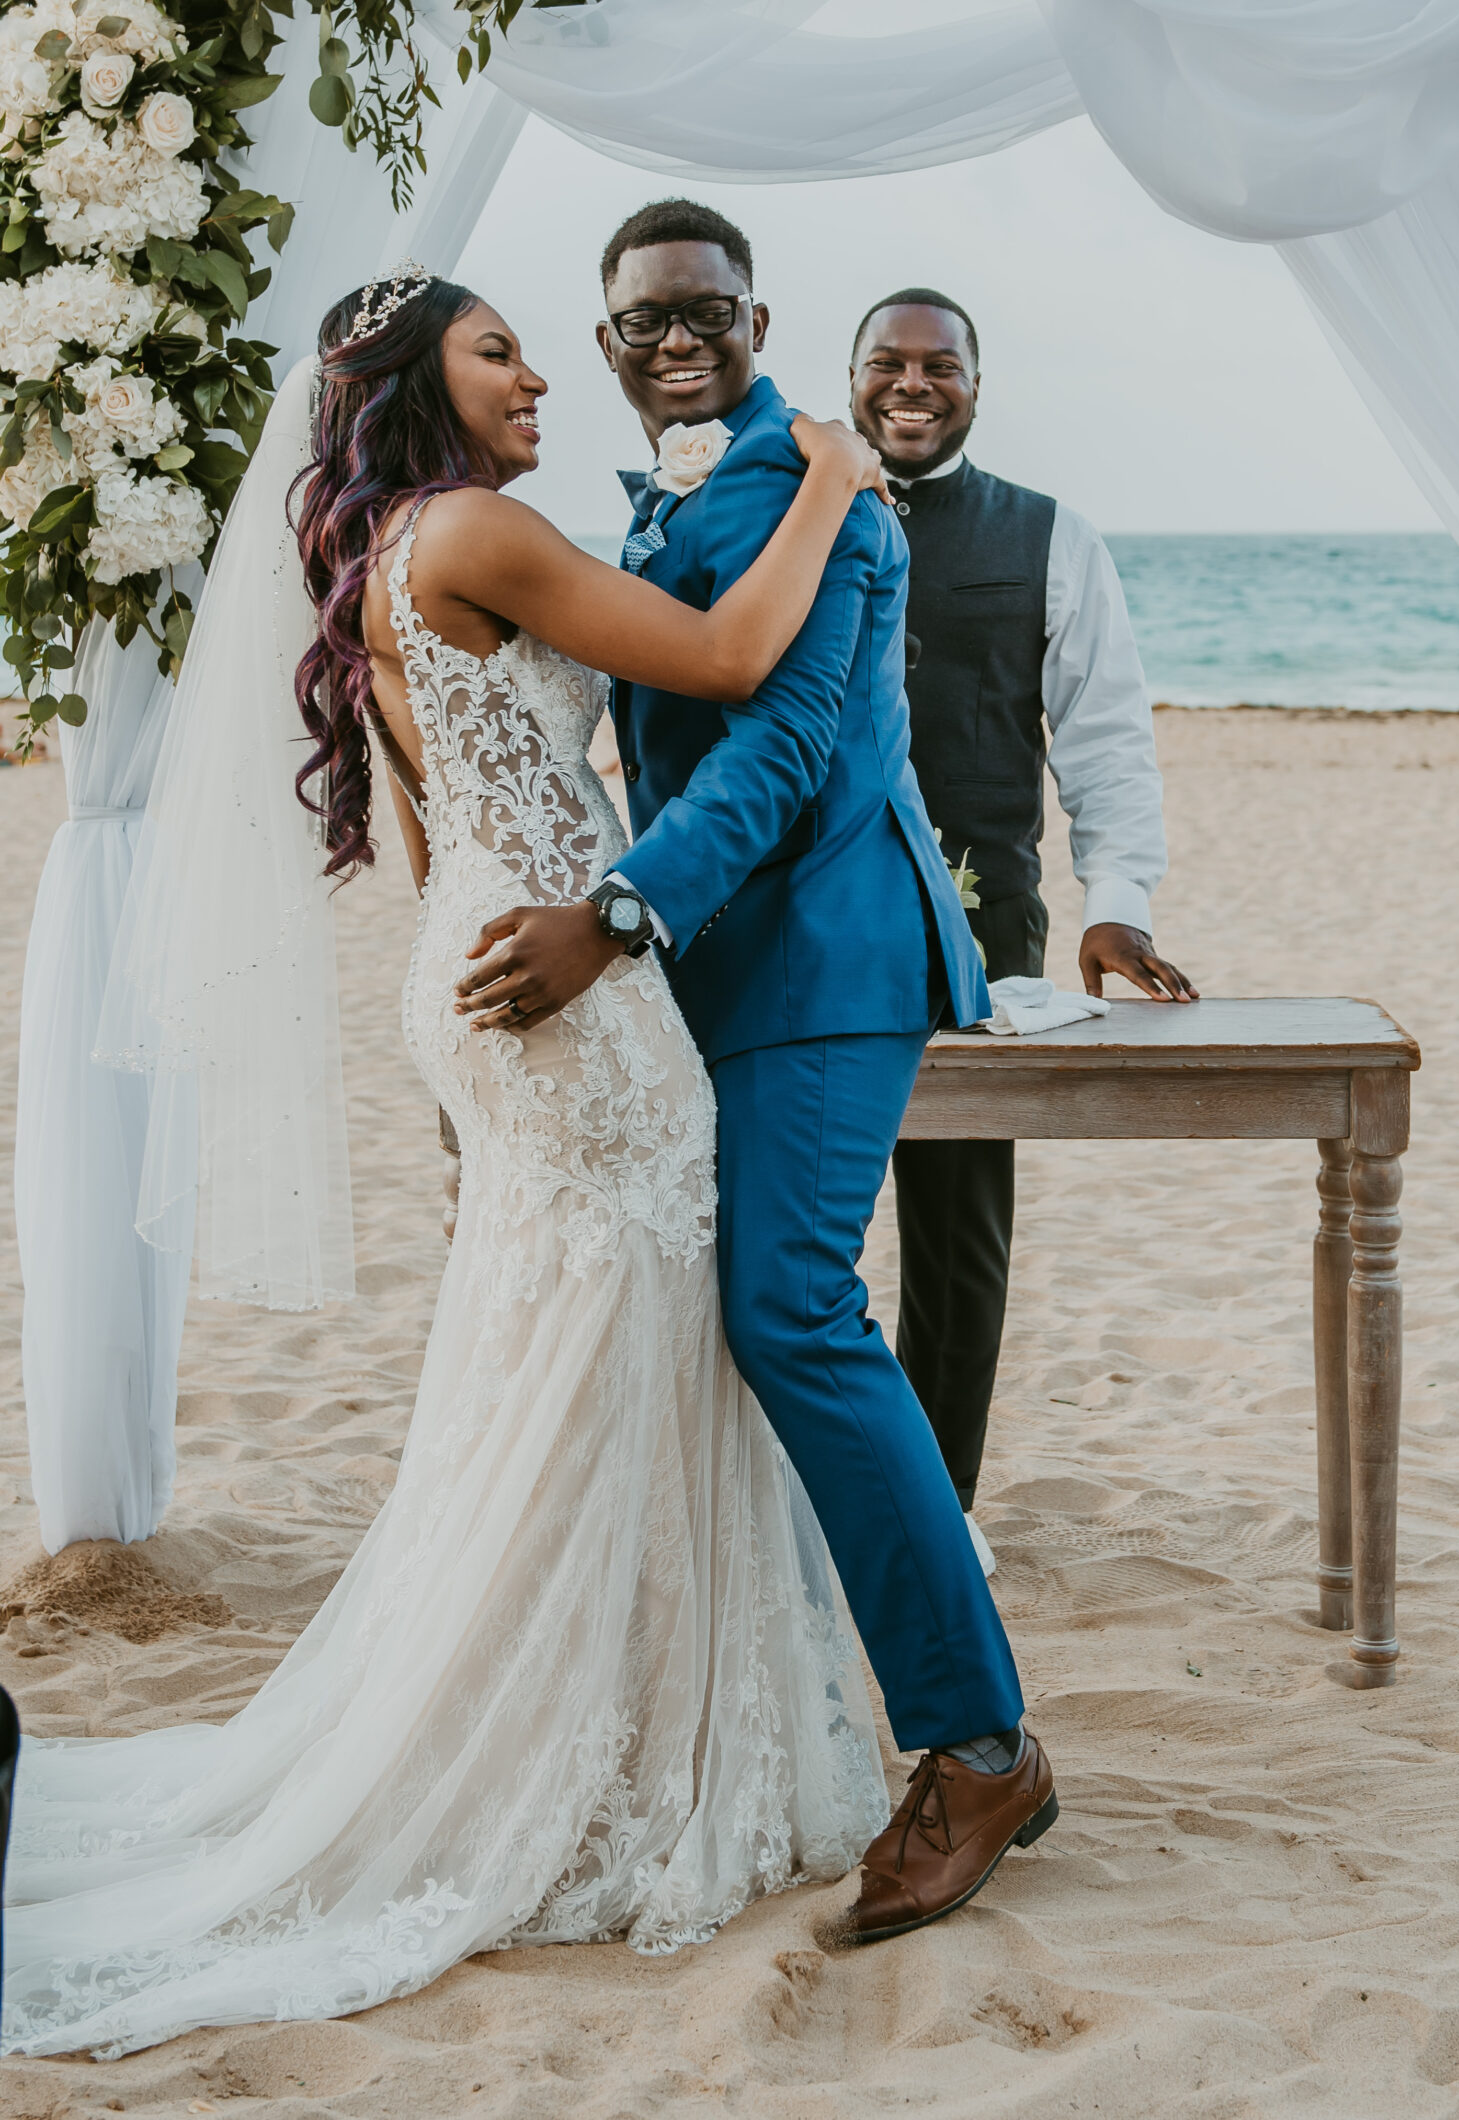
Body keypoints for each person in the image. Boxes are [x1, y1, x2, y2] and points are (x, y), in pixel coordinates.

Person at [2, 270, 901, 2057]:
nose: (535, 381)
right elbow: (726, 662)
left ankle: (575, 1711)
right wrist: (831, 481)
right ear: (419, 380)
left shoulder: (375, 565)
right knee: (614, 1350)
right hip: (565, 971)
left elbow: (424, 833)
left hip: (475, 958)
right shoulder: (473, 529)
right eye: (498, 352)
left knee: (549, 1354)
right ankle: (586, 1753)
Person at [452, 200, 1058, 1947]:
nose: (674, 338)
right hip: (726, 973)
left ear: (755, 312)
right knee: (744, 1317)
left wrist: (619, 909)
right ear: (607, 340)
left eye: (703, 309)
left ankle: (973, 1743)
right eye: (640, 318)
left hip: (827, 952)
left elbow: (794, 744)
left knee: (790, 1312)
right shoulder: (680, 497)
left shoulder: (833, 491)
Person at [849, 288, 1195, 1556]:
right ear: (849, 379)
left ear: (975, 388)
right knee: (797, 1233)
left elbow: (1105, 734)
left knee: (958, 1230)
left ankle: (937, 1515)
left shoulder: (1053, 537)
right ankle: (823, 1485)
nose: (912, 383)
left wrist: (1117, 907)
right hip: (802, 932)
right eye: (885, 361)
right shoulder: (786, 516)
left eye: (940, 364)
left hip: (983, 929)